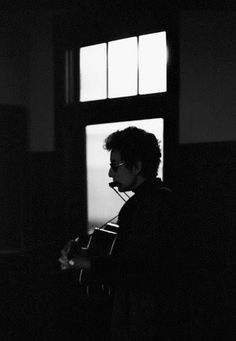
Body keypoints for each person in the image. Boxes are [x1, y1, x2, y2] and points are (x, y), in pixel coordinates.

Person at [59, 126, 190, 340]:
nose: (111, 173)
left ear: (137, 166)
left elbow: (139, 265)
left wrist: (87, 262)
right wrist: (87, 254)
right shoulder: (148, 202)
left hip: (147, 316)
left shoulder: (155, 204)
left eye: (114, 166)